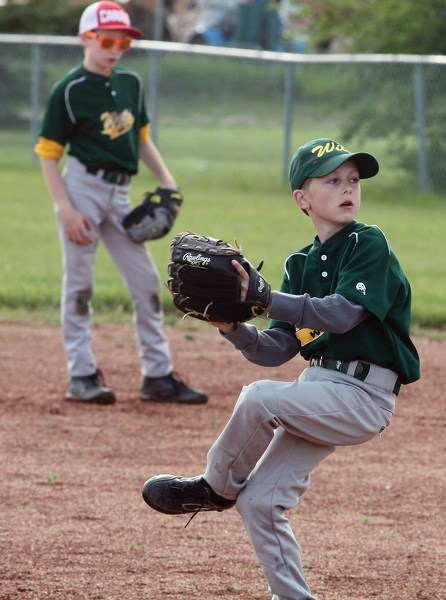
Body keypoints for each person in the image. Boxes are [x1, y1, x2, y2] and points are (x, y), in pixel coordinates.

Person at [141, 138, 421, 599]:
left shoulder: (367, 243)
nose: (347, 188)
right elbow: (275, 349)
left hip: (364, 396)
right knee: (261, 502)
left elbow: (342, 313)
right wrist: (232, 327)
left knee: (258, 397)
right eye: (332, 180)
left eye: (353, 180)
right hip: (319, 390)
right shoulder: (299, 265)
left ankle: (214, 487)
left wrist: (268, 298)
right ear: (302, 199)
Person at [35, 1, 207, 406]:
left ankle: (158, 376)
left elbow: (141, 139)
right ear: (86, 39)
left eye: (124, 42)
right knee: (80, 284)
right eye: (108, 40)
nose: (115, 49)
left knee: (146, 283)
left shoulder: (130, 84)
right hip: (81, 188)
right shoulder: (70, 90)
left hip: (121, 193)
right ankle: (81, 374)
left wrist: (168, 181)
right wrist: (65, 208)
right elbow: (47, 153)